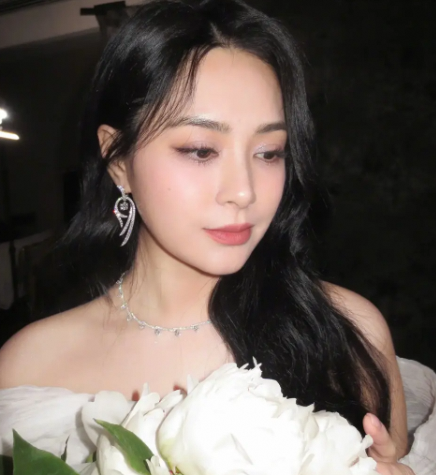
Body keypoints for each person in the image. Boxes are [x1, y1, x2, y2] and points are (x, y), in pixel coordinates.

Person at [0, 0, 434, 474]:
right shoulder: (29, 368)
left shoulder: (348, 334)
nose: (244, 191)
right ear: (118, 159)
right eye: (201, 150)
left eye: (269, 152)